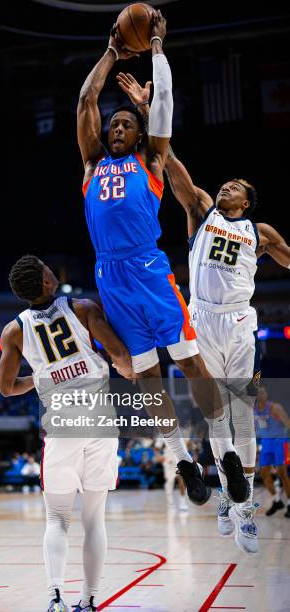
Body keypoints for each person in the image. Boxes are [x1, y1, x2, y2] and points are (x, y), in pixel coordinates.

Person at [77, 11, 249, 509]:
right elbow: (87, 99)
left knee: (191, 362)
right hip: (110, 274)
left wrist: (154, 44)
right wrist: (111, 50)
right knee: (146, 375)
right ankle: (182, 463)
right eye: (114, 123)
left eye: (127, 123)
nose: (117, 126)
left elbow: (165, 106)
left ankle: (226, 456)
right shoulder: (91, 165)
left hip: (149, 269)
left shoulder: (150, 161)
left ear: (139, 135)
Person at [116, 70, 290, 553]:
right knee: (216, 417)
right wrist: (149, 110)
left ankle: (245, 505)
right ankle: (227, 496)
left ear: (248, 201)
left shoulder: (262, 232)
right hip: (202, 319)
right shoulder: (201, 209)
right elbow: (169, 162)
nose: (227, 185)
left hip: (241, 323)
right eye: (227, 182)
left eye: (237, 186)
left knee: (244, 416)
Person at [0, 254, 133, 612]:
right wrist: (128, 367)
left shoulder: (14, 330)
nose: (50, 270)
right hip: (101, 422)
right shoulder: (84, 308)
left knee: (57, 519)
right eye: (46, 268)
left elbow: (6, 388)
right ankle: (88, 602)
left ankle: (55, 598)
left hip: (61, 425)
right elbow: (119, 354)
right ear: (45, 282)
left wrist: (41, 378)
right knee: (94, 520)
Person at [255, 387, 290, 518]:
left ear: (266, 394)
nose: (261, 394)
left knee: (282, 474)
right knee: (264, 474)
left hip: (280, 442)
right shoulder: (253, 410)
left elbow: (288, 424)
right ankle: (277, 501)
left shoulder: (275, 408)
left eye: (263, 391)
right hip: (266, 444)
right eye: (258, 392)